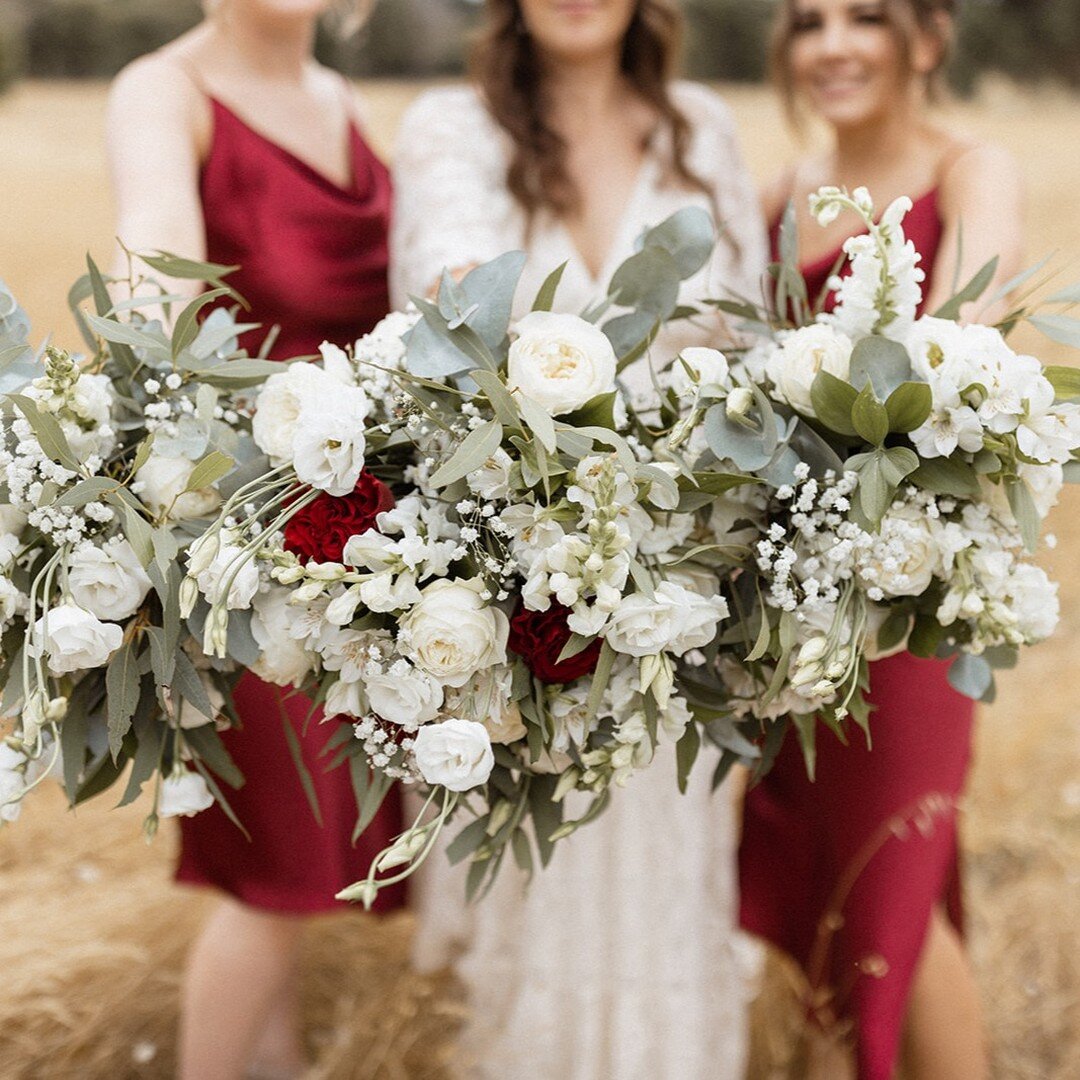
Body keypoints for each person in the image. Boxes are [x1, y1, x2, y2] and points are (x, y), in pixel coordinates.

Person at [391, 1, 768, 1077]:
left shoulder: (702, 125)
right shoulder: (449, 128)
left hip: (683, 588)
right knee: (540, 871)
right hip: (524, 587)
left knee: (665, 867)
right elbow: (451, 322)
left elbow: (750, 340)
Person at [105, 3, 405, 1078]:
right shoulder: (164, 91)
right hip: (246, 538)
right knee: (271, 874)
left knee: (297, 878)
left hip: (370, 546)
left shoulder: (348, 102)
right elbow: (158, 298)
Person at [739, 2, 1025, 1078]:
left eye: (868, 14)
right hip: (785, 606)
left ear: (931, 35)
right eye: (809, 21)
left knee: (890, 890)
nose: (834, 44)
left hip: (907, 601)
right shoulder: (776, 197)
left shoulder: (970, 171)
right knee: (819, 881)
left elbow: (968, 354)